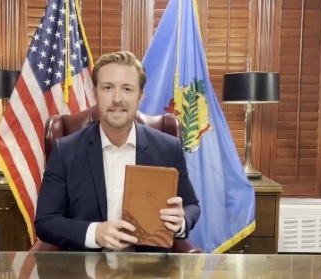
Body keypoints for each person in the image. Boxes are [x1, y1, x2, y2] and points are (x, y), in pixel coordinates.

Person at [35, 51, 200, 253]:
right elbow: (46, 221)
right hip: (85, 269)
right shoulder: (66, 151)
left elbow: (192, 205)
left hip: (148, 269)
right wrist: (94, 232)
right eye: (107, 88)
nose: (117, 99)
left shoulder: (168, 148)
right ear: (95, 93)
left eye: (127, 89)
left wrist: (181, 221)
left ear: (140, 96)